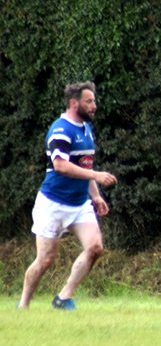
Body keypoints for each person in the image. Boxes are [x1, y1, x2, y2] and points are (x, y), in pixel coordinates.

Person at [18, 81, 118, 310]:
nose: (94, 106)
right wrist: (96, 175)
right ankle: (23, 306)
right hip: (53, 203)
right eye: (89, 101)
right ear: (74, 103)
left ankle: (63, 297)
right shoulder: (61, 130)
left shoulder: (86, 129)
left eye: (94, 101)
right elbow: (61, 165)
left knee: (95, 247)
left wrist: (95, 196)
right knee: (45, 259)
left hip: (79, 204)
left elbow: (84, 164)